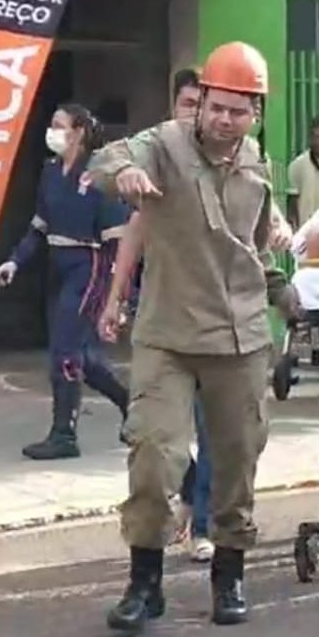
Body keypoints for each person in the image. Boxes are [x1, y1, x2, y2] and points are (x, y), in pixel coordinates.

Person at [89, 41, 300, 631]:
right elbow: (106, 160)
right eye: (216, 107)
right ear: (200, 102)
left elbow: (250, 251)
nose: (225, 119)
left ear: (255, 113)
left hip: (241, 338)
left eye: (239, 110)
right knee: (154, 456)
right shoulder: (164, 144)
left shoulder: (256, 164)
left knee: (237, 461)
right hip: (169, 336)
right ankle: (144, 583)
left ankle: (229, 575)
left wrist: (285, 295)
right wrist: (125, 174)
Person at [100, 68, 218, 563]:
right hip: (166, 322)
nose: (195, 114)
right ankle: (179, 506)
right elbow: (136, 230)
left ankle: (204, 523)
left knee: (214, 430)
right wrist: (114, 298)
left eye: (202, 105)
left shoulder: (231, 160)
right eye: (188, 104)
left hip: (219, 323)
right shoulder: (157, 158)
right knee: (156, 434)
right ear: (174, 108)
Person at [0, 104, 131, 461]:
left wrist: (119, 295)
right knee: (81, 355)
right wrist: (15, 261)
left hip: (90, 267)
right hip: (57, 266)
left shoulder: (99, 173)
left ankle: (63, 433)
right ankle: (131, 406)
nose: (52, 132)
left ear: (79, 131)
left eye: (59, 125)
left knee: (65, 352)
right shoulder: (51, 171)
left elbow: (119, 239)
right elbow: (39, 225)